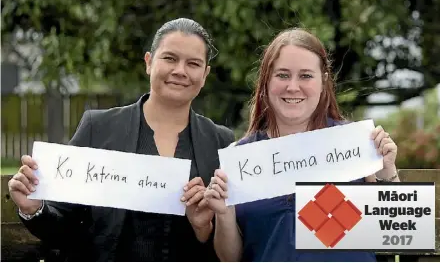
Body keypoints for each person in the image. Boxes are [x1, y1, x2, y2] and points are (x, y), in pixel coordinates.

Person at [8, 18, 235, 262]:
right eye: (169, 58)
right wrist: (33, 209)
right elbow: (62, 223)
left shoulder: (221, 142)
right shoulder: (99, 128)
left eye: (193, 63)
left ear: (205, 74)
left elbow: (230, 248)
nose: (180, 70)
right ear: (149, 62)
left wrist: (203, 229)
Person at [202, 28, 400, 262]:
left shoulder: (357, 145)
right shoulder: (240, 159)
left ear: (323, 81)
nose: (293, 87)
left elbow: (396, 231)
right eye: (283, 75)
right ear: (266, 80)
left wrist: (387, 171)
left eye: (305, 75)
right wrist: (223, 213)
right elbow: (230, 259)